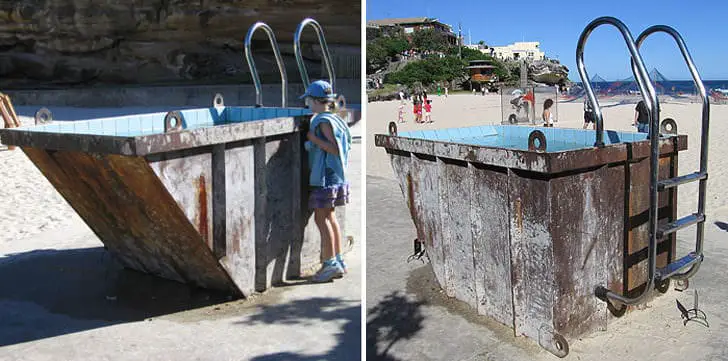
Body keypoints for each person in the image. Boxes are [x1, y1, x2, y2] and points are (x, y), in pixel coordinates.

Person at [301, 80, 352, 282]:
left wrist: (312, 139)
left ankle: (330, 263)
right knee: (330, 218)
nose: (307, 104)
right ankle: (338, 260)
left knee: (321, 219)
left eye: (308, 100)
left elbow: (333, 148)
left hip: (326, 177)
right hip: (336, 176)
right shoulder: (335, 117)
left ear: (314, 100)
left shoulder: (322, 121)